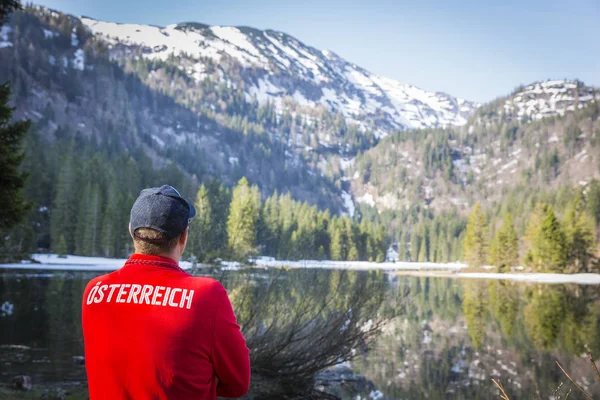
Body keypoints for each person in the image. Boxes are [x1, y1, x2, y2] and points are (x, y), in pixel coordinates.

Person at [82, 185, 250, 399]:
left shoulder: (95, 291)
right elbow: (238, 384)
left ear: (131, 230)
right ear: (183, 236)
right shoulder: (207, 296)